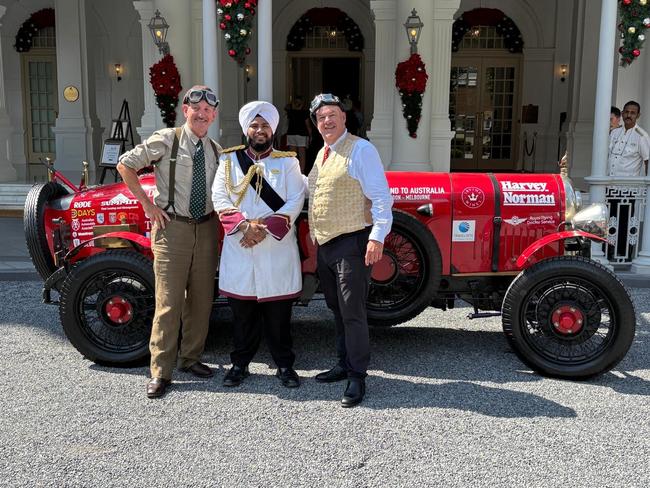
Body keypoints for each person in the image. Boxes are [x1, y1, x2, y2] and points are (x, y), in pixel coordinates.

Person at [117, 85, 221, 399]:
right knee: (169, 302)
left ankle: (191, 358)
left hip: (206, 229)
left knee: (202, 300)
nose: (201, 114)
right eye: (196, 108)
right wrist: (148, 206)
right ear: (185, 110)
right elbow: (125, 163)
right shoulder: (167, 139)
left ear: (213, 115)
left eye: (207, 110)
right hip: (172, 227)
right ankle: (161, 371)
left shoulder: (216, 149)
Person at [307, 93, 393, 407]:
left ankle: (357, 376)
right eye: (320, 118)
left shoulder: (361, 149)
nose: (326, 121)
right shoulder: (323, 153)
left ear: (344, 117)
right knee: (337, 310)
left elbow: (382, 197)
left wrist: (377, 237)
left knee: (353, 313)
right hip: (327, 246)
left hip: (352, 243)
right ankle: (343, 364)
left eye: (332, 115)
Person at [212, 100, 305, 388]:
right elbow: (219, 197)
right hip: (241, 245)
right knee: (242, 315)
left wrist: (262, 229)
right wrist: (244, 227)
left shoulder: (288, 161)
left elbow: (295, 199)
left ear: (272, 129)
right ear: (246, 129)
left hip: (275, 248)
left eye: (265, 125)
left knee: (279, 316)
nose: (260, 130)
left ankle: (285, 366)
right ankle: (240, 364)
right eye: (254, 125)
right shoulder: (228, 161)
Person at [608, 101, 649, 177]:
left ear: (638, 115)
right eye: (626, 112)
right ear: (622, 113)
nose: (629, 115)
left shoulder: (642, 136)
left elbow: (648, 161)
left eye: (633, 113)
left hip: (627, 186)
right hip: (608, 183)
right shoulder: (614, 132)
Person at [284, 96, 312, 174]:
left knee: (292, 155)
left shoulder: (290, 112)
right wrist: (310, 135)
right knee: (302, 155)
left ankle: (292, 171)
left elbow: (286, 107)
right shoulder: (305, 112)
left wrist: (292, 104)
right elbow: (308, 126)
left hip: (291, 134)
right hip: (302, 135)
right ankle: (302, 172)